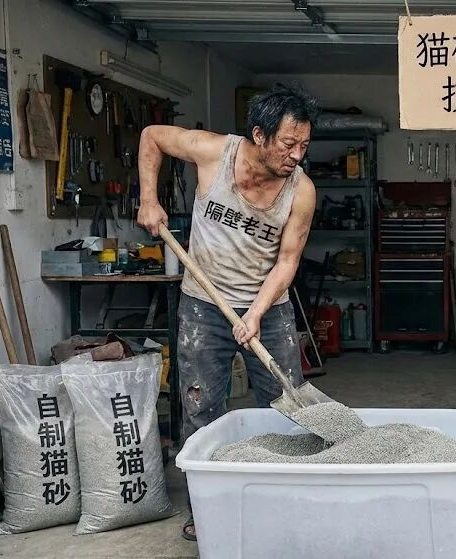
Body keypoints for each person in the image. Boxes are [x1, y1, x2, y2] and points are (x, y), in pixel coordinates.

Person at [137, 83, 320, 541]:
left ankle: (284, 502)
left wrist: (255, 312)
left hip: (268, 308)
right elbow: (152, 136)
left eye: (304, 145)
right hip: (203, 303)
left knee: (287, 405)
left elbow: (287, 262)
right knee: (201, 407)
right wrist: (149, 199)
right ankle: (208, 509)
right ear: (259, 135)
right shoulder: (214, 153)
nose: (297, 155)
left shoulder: (301, 191)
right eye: (288, 143)